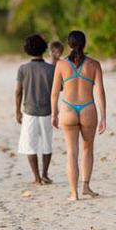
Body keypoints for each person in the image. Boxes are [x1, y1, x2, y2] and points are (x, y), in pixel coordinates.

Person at [51, 30, 107, 201]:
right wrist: (103, 116)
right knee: (87, 148)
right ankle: (86, 187)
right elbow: (100, 92)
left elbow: (54, 93)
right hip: (88, 109)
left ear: (69, 45)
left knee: (71, 152)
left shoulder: (61, 65)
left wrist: (54, 114)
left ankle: (73, 193)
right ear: (84, 44)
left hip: (68, 109)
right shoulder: (94, 64)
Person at [15, 34, 56, 185]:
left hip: (29, 112)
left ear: (27, 49)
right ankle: (45, 174)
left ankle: (37, 178)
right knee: (47, 144)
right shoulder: (51, 69)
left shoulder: (23, 69)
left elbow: (18, 92)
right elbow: (58, 90)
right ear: (44, 49)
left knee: (30, 145)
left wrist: (17, 111)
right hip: (47, 112)